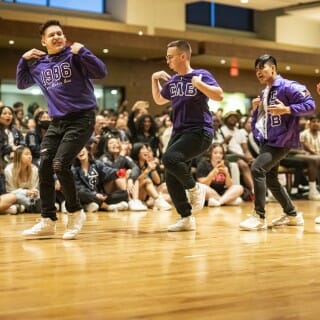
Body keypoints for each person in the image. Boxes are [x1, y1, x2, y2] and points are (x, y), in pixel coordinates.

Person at [16, 19, 107, 239]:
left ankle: (75, 212)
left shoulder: (75, 56)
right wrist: (22, 60)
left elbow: (101, 71)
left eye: (60, 33)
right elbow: (21, 83)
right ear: (43, 41)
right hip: (56, 122)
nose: (57, 37)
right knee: (45, 165)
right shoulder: (39, 65)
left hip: (82, 119)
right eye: (52, 35)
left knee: (60, 163)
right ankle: (47, 219)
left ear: (64, 37)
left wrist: (83, 51)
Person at [151, 39, 223, 232]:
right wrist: (154, 79)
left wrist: (200, 85)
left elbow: (219, 95)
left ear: (183, 56)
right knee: (171, 174)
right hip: (179, 132)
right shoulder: (173, 81)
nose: (168, 61)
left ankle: (194, 188)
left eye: (170, 57)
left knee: (169, 158)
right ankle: (186, 217)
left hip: (200, 131)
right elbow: (159, 99)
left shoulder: (201, 75)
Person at [239, 54, 315, 231]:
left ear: (273, 68)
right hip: (268, 141)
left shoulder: (289, 86)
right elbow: (259, 122)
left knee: (257, 168)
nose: (258, 72)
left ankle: (259, 216)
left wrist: (288, 109)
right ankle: (292, 214)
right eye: (256, 70)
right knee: (271, 178)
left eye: (262, 68)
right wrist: (254, 110)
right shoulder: (264, 92)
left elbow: (310, 105)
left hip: (282, 141)